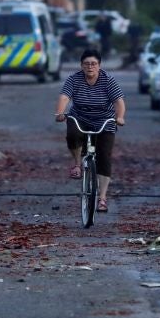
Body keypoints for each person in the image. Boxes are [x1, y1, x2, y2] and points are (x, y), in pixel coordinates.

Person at [54, 47, 126, 213]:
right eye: (86, 64)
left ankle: (102, 198)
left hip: (105, 120)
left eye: (94, 64)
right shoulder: (74, 80)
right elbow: (65, 97)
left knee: (104, 156)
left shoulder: (108, 80)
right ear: (81, 65)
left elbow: (119, 102)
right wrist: (60, 113)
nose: (90, 67)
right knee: (72, 135)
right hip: (80, 117)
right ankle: (78, 164)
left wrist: (120, 117)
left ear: (99, 66)